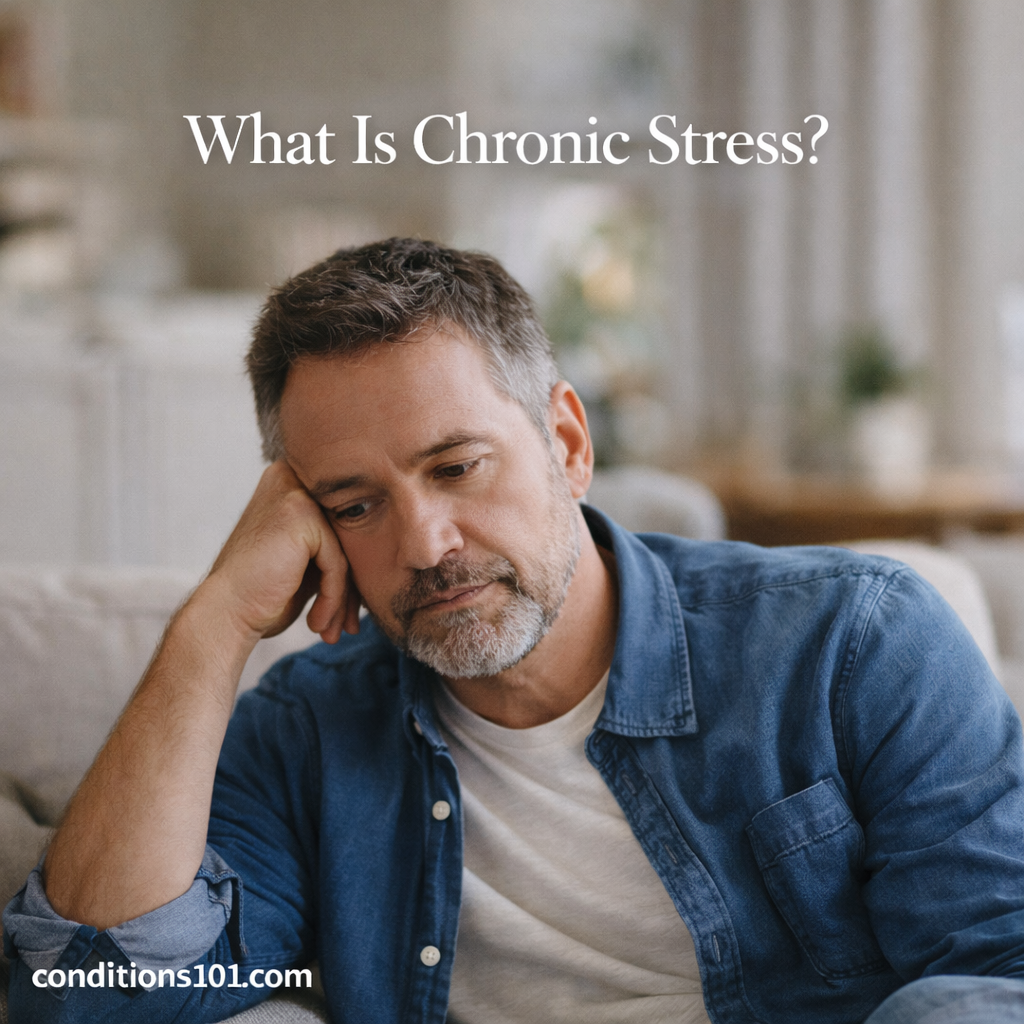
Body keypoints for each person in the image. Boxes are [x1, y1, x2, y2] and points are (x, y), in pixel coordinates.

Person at [4, 238, 1024, 1024]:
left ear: (567, 444)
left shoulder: (851, 644)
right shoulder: (304, 737)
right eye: (354, 504)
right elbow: (92, 993)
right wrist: (213, 622)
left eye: (456, 466)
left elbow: (998, 970)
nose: (426, 541)